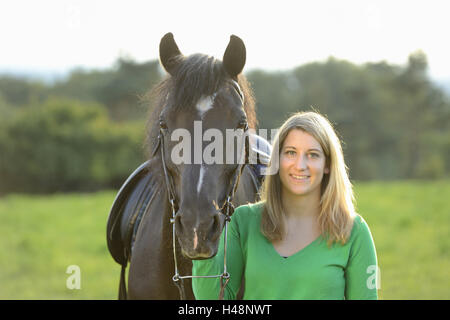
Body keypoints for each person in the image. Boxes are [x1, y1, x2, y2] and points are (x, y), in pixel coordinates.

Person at [192, 111, 379, 300]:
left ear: (327, 164)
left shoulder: (354, 231)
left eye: (313, 155)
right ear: (277, 160)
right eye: (291, 153)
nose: (300, 165)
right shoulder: (244, 221)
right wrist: (202, 250)